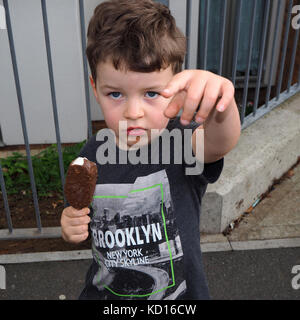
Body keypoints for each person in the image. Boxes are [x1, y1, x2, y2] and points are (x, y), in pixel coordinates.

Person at [60, 0, 241, 300]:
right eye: (115, 93)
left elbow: (220, 142)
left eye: (152, 93)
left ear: (178, 89)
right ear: (95, 87)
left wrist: (221, 103)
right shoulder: (91, 154)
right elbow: (82, 215)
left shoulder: (182, 144)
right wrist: (70, 224)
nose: (133, 112)